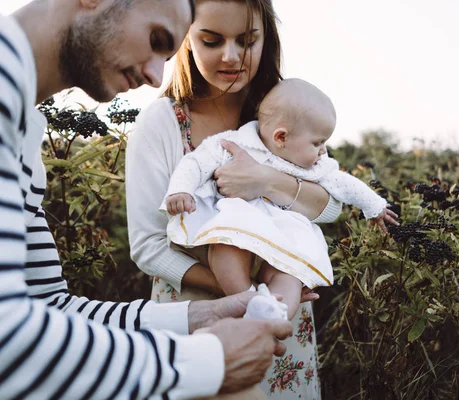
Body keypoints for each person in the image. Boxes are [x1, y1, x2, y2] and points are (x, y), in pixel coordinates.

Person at [0, 0, 294, 398]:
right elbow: (8, 340)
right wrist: (203, 361)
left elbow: (50, 307)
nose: (156, 77)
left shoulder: (22, 130)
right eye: (156, 39)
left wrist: (202, 315)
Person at [126, 0, 343, 397]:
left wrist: (265, 180)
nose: (231, 56)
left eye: (247, 40)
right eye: (211, 40)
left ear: (267, 39)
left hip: (281, 320)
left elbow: (329, 205)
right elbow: (148, 246)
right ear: (187, 38)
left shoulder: (286, 111)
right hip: (194, 316)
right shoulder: (161, 123)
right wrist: (246, 295)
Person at [163, 78, 399, 321]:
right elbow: (196, 163)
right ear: (281, 137)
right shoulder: (234, 144)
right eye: (317, 143)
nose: (323, 151)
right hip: (240, 223)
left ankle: (275, 314)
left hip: (286, 233)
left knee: (289, 276)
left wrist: (375, 207)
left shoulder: (315, 166)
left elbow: (344, 184)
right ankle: (249, 299)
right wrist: (182, 190)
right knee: (225, 252)